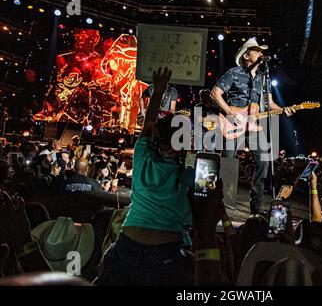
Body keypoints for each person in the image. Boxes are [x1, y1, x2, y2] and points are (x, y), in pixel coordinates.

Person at [95, 68, 194, 285]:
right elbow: (192, 218)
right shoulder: (188, 176)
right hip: (166, 257)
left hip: (126, 247)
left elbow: (148, 122)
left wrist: (158, 90)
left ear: (158, 135)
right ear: (185, 143)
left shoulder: (142, 157)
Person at [210, 38, 297, 214]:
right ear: (246, 56)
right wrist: (229, 112)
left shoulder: (263, 78)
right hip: (233, 123)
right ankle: (221, 207)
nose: (260, 53)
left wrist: (284, 109)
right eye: (256, 51)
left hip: (253, 125)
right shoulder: (234, 73)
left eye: (260, 51)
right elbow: (215, 93)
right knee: (228, 163)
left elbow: (269, 102)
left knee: (264, 161)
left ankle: (255, 208)